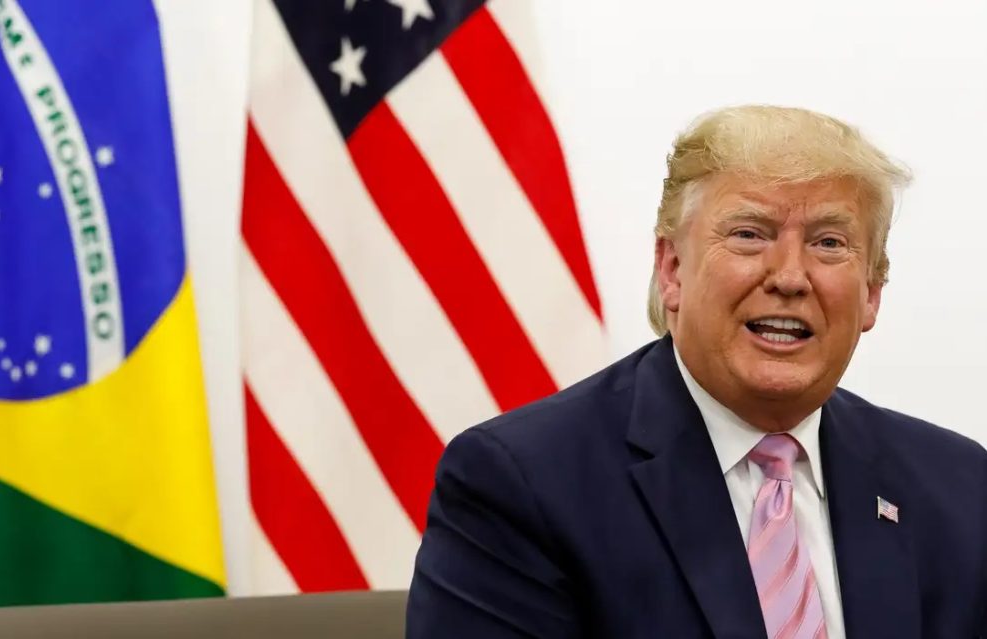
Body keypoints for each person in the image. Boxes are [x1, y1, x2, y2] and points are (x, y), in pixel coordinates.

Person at [405, 105, 987, 638]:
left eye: (829, 243)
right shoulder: (523, 484)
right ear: (672, 269)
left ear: (872, 294)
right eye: (749, 235)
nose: (790, 276)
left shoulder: (959, 486)